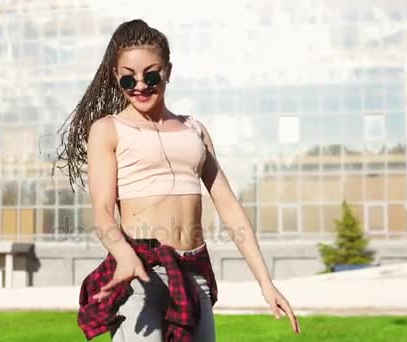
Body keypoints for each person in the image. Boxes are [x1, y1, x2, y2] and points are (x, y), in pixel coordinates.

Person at [55, 19, 301, 342]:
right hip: (140, 274)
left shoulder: (194, 130)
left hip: (193, 274)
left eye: (151, 74)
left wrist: (266, 283)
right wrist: (124, 254)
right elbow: (101, 210)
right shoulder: (108, 130)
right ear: (117, 78)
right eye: (129, 79)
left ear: (168, 71)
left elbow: (229, 207)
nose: (140, 85)